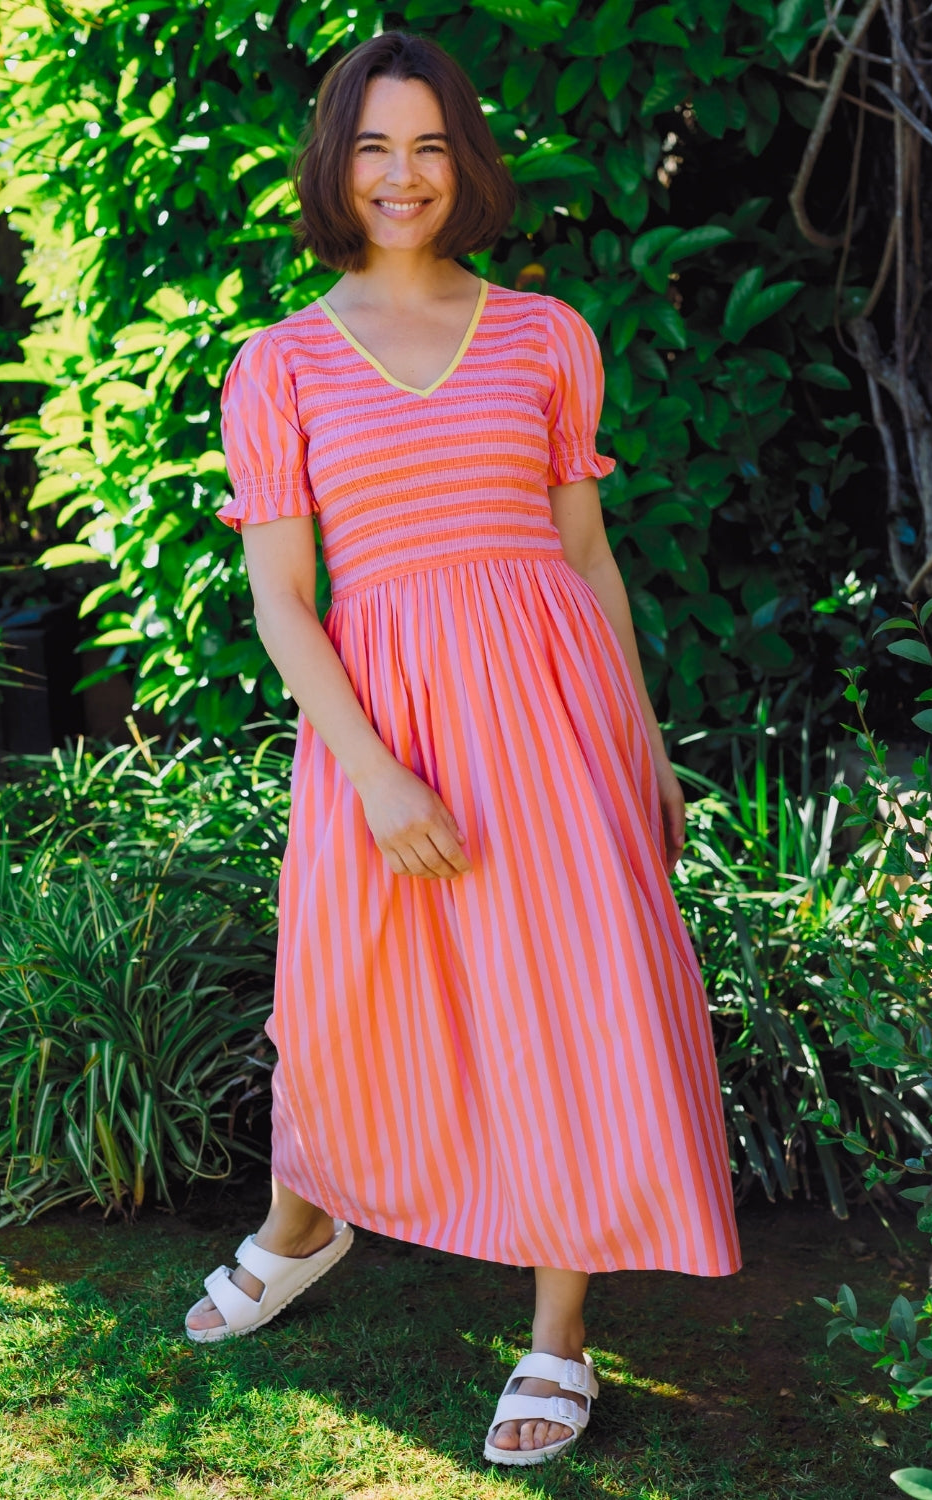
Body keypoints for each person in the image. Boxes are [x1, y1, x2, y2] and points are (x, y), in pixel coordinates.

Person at [184, 30, 741, 1467]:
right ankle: (305, 1225)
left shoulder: (549, 336)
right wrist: (374, 770)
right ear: (336, 164)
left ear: (465, 162)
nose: (402, 173)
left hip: (554, 734)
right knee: (346, 1004)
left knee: (573, 1011)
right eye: (374, 145)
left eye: (429, 145)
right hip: (387, 736)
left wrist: (643, 739)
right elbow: (281, 600)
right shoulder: (280, 364)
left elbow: (585, 555)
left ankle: (558, 1339)